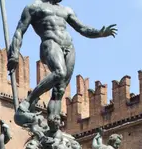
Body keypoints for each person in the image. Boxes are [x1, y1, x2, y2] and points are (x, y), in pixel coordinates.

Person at [8, 0, 117, 129]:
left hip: (69, 47)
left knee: (60, 89)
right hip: (50, 43)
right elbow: (20, 30)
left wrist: (99, 33)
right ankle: (27, 103)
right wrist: (14, 54)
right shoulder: (34, 7)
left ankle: (53, 127)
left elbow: (82, 28)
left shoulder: (66, 10)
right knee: (60, 72)